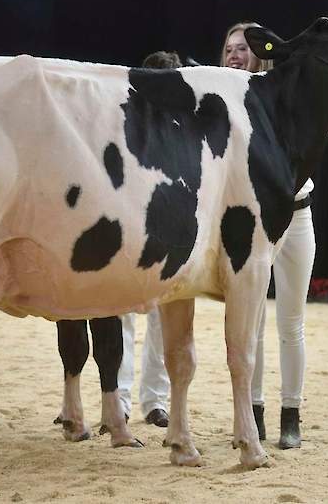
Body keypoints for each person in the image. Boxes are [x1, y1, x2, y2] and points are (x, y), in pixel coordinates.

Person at [222, 22, 310, 449]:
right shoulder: (221, 95)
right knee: (250, 323)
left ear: (259, 53)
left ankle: (290, 415)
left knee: (291, 322)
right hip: (251, 217)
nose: (235, 54)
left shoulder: (282, 94)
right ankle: (251, 413)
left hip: (298, 213)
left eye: (243, 48)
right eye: (229, 48)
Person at [115, 50, 185, 429]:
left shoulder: (184, 128)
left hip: (170, 229)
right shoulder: (126, 123)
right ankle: (122, 398)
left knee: (164, 317)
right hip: (131, 228)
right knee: (122, 311)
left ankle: (153, 401)